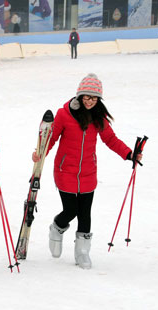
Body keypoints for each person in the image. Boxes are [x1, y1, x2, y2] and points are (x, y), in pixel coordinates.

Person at [33, 73, 142, 269]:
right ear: (80, 96)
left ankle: (82, 252)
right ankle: (56, 229)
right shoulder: (64, 114)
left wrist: (129, 154)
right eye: (87, 97)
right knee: (71, 210)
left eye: (94, 98)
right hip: (65, 170)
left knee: (85, 213)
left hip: (88, 172)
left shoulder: (98, 117)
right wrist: (40, 155)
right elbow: (52, 138)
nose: (90, 101)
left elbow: (111, 139)